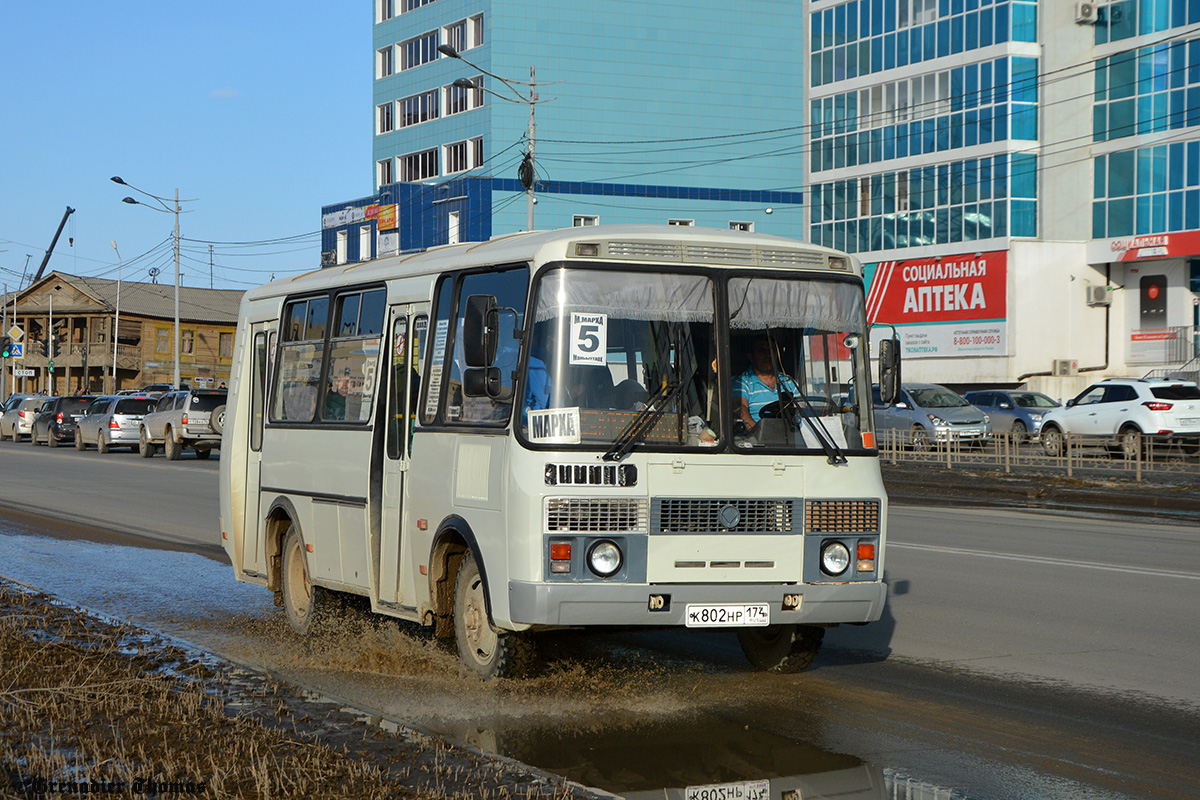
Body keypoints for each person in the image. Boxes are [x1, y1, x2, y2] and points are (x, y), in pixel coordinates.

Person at [734, 335, 800, 433]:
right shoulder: (742, 382)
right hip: (757, 444)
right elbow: (740, 409)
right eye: (762, 351)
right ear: (751, 357)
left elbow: (801, 410)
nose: (768, 355)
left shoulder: (789, 381)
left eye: (772, 350)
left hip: (790, 439)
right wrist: (759, 435)